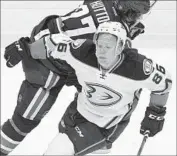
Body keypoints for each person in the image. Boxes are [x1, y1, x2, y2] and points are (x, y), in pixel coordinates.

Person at [1, 0, 157, 155]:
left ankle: (71, 144)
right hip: (48, 63)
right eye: (138, 13)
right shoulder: (115, 30)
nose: (141, 16)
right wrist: (29, 48)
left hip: (68, 55)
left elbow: (74, 25)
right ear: (129, 12)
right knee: (24, 121)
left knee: (92, 113)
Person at [20, 21, 172, 155]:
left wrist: (155, 113)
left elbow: (165, 83)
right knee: (67, 140)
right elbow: (51, 42)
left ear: (120, 47)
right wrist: (24, 48)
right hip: (77, 111)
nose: (101, 51)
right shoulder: (82, 52)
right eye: (99, 45)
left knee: (59, 148)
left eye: (108, 46)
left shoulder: (137, 67)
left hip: (106, 125)